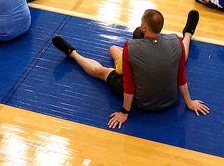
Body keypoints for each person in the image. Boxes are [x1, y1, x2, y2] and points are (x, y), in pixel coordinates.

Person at [51, 9, 209, 127]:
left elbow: (129, 83)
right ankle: (188, 33)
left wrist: (125, 112)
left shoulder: (130, 47)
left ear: (144, 28)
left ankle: (73, 53)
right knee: (181, 56)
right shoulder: (175, 41)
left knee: (104, 72)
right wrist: (189, 102)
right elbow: (181, 75)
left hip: (142, 103)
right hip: (171, 98)